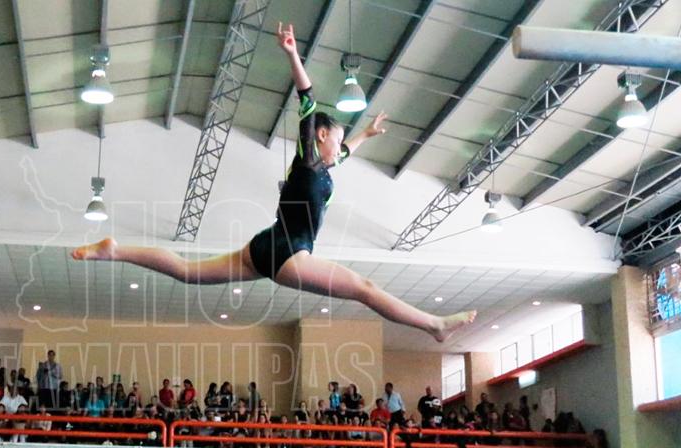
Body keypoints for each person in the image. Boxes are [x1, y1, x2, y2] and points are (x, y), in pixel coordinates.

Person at [70, 23, 475, 343]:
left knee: (188, 272)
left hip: (265, 246)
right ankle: (434, 324)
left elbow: (345, 153)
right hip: (289, 252)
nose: (338, 148)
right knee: (364, 289)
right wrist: (293, 54)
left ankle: (115, 251)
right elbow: (307, 98)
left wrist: (365, 135)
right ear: (320, 136)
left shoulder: (322, 168)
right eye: (335, 140)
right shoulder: (308, 160)